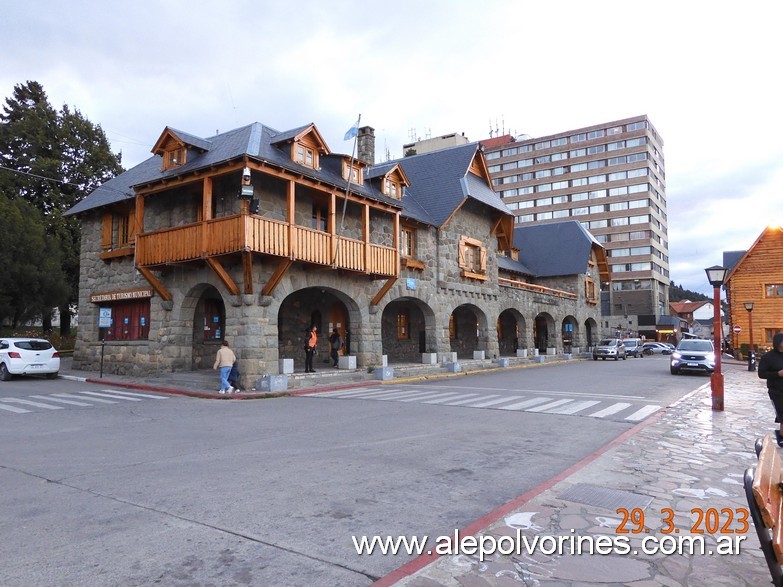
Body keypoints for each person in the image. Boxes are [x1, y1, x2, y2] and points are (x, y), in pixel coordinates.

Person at [759, 333, 783, 446]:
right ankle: (782, 437)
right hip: (776, 390)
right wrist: (777, 374)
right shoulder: (768, 357)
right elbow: (761, 374)